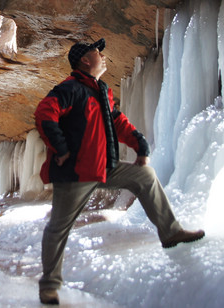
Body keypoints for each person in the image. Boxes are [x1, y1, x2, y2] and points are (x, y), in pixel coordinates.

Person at [34, 38, 204, 305]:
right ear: (84, 61)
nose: (102, 55)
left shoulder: (102, 92)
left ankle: (170, 233)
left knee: (144, 176)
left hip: (103, 167)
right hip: (75, 172)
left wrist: (140, 146)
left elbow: (118, 122)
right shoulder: (70, 89)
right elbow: (45, 112)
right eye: (96, 52)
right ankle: (49, 285)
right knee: (58, 228)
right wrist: (61, 147)